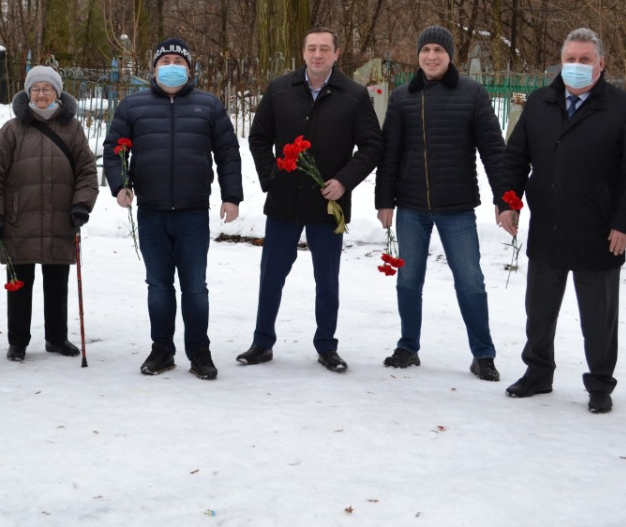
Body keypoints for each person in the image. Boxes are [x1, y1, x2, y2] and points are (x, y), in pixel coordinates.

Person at [500, 27, 626, 413]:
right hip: (548, 225)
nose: (577, 66)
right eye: (571, 59)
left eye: (585, 60)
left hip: (600, 230)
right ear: (561, 62)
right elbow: (516, 158)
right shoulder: (540, 102)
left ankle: (600, 384)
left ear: (601, 65)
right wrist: (509, 203)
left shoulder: (621, 107)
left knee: (599, 318)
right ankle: (537, 372)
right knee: (539, 308)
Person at [237, 27, 383, 373]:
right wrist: (271, 175)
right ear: (303, 53)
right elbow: (258, 138)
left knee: (327, 278)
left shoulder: (354, 95)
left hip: (328, 204)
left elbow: (373, 145)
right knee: (271, 274)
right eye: (311, 49)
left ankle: (327, 346)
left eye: (324, 49)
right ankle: (262, 342)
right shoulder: (280, 90)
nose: (317, 54)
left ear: (336, 53)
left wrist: (344, 181)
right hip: (285, 201)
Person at [103, 38, 243, 380]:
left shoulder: (208, 105)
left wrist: (232, 196)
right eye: (165, 60)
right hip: (151, 213)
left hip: (193, 213)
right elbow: (113, 149)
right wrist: (120, 185)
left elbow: (227, 153)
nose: (171, 66)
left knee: (195, 287)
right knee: (159, 286)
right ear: (154, 68)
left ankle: (199, 352)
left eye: (178, 62)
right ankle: (162, 350)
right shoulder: (132, 106)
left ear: (189, 69)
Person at [375, 26, 506, 380]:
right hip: (412, 207)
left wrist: (504, 199)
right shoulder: (403, 97)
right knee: (407, 280)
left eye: (439, 50)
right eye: (426, 49)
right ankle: (408, 346)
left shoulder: (472, 94)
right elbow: (390, 155)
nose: (431, 56)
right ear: (418, 55)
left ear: (450, 56)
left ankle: (483, 354)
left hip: (457, 208)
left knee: (470, 281)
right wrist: (384, 200)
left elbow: (493, 150)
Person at [0, 66, 99, 362]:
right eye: (35, 89)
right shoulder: (11, 129)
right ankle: (18, 341)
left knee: (57, 280)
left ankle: (57, 337)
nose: (41, 94)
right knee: (19, 283)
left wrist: (81, 205)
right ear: (27, 92)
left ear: (57, 93)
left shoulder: (72, 128)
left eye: (47, 89)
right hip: (18, 217)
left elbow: (87, 171)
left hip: (61, 216)